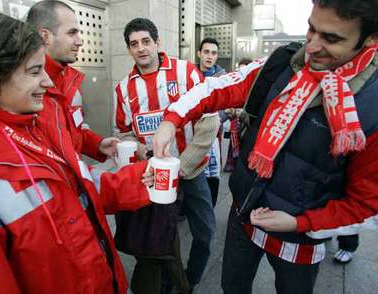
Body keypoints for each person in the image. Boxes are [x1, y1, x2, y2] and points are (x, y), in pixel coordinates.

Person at [152, 1, 378, 293]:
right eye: (311, 29)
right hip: (242, 216)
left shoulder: (372, 105)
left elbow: (366, 207)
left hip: (300, 241)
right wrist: (172, 119)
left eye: (332, 38)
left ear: (370, 39)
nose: (312, 47)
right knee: (232, 287)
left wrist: (299, 222)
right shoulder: (285, 61)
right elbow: (217, 87)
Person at [0, 9, 154, 293]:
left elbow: (75, 190)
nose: (47, 83)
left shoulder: (35, 123)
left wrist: (140, 179)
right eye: (35, 71)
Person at [113, 18, 219, 293]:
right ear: (128, 49)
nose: (141, 49)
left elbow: (209, 121)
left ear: (157, 42)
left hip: (191, 172)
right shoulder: (124, 88)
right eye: (134, 44)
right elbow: (124, 132)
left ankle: (190, 279)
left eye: (146, 41)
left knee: (206, 233)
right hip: (153, 177)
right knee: (160, 241)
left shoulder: (188, 73)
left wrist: (182, 166)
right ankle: (173, 284)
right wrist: (136, 148)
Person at [26, 1, 118, 162]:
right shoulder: (22, 87)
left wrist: (99, 144)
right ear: (45, 36)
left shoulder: (71, 78)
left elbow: (74, 130)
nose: (80, 41)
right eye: (72, 33)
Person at [197, 37, 227, 207]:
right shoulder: (188, 74)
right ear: (199, 53)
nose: (209, 56)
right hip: (190, 135)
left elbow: (228, 107)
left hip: (213, 136)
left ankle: (210, 205)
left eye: (213, 53)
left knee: (212, 174)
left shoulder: (223, 79)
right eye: (206, 52)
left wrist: (213, 118)